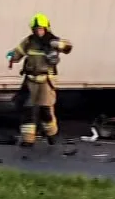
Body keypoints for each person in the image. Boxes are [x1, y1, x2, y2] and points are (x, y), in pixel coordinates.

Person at [7, 14, 72, 146]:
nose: (39, 32)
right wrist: (12, 56)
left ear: (46, 28)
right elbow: (18, 53)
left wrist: (57, 44)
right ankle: (28, 139)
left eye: (41, 29)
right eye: (36, 29)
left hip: (46, 82)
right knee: (28, 109)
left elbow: (68, 47)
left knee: (46, 110)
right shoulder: (29, 41)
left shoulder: (52, 41)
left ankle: (51, 134)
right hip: (30, 80)